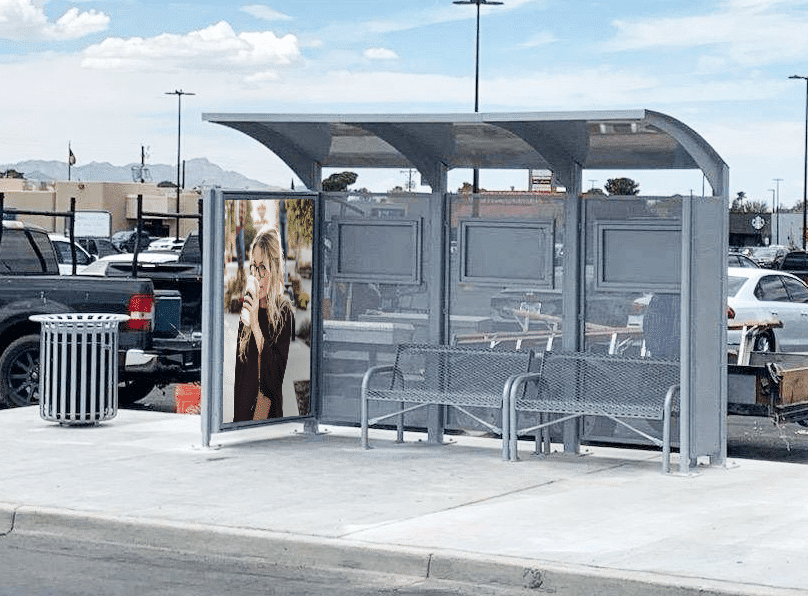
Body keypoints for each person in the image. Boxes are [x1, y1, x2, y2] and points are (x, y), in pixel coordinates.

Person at [233, 227, 295, 422]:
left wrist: (256, 325)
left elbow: (276, 375)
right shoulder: (249, 306)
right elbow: (239, 375)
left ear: (274, 268)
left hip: (267, 417)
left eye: (262, 268)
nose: (257, 276)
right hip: (243, 416)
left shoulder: (283, 310)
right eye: (254, 266)